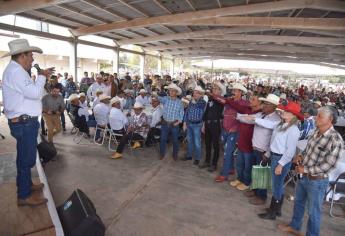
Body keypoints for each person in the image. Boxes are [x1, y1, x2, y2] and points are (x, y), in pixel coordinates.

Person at [2, 38, 53, 206]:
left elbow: (29, 94)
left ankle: (26, 185)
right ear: (22, 56)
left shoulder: (16, 71)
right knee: (27, 160)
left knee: (24, 157)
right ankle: (24, 195)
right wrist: (41, 77)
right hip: (24, 123)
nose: (32, 58)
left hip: (24, 122)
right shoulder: (16, 72)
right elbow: (34, 94)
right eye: (30, 55)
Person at [278, 106, 343, 236]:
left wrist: (305, 169)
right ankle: (295, 226)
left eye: (320, 116)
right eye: (317, 115)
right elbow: (308, 149)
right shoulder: (315, 131)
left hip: (317, 181)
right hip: (304, 177)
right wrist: (301, 156)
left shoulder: (335, 139)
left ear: (330, 119)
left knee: (313, 212)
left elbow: (329, 166)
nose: (316, 118)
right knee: (299, 203)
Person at [255, 101, 303, 220]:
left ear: (293, 116)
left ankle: (273, 211)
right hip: (275, 156)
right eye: (285, 110)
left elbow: (290, 151)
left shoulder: (293, 130)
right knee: (278, 185)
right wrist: (268, 153)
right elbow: (274, 142)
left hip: (281, 159)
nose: (284, 112)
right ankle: (276, 210)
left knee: (277, 185)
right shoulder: (280, 125)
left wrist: (280, 164)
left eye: (287, 111)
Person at [240, 94, 281, 205]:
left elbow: (272, 132)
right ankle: (254, 190)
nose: (264, 106)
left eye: (267, 104)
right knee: (255, 171)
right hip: (256, 147)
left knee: (262, 174)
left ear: (274, 106)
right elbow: (249, 120)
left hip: (264, 150)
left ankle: (262, 197)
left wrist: (267, 153)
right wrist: (239, 116)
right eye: (264, 103)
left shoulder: (276, 119)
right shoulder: (261, 114)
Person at [211, 83, 248, 182]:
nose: (233, 92)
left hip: (234, 131)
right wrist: (214, 95)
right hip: (226, 129)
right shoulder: (230, 100)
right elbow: (222, 103)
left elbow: (244, 118)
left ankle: (224, 174)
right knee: (227, 151)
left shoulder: (244, 103)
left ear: (241, 92)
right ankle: (230, 168)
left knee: (227, 152)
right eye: (233, 90)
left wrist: (236, 127)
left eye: (235, 90)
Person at [199, 82, 225, 172]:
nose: (213, 90)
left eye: (216, 89)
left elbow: (220, 104)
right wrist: (204, 122)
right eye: (213, 88)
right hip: (208, 123)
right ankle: (207, 161)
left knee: (215, 145)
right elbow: (207, 111)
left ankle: (214, 164)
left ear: (220, 91)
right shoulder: (210, 99)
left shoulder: (221, 100)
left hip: (216, 124)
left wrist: (213, 95)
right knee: (207, 143)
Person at [158, 83, 185, 161]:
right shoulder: (165, 99)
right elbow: (158, 98)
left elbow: (181, 114)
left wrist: (177, 123)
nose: (171, 92)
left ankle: (175, 154)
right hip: (165, 123)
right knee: (163, 139)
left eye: (173, 91)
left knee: (175, 140)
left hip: (174, 124)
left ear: (176, 92)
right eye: (170, 91)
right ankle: (162, 154)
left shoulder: (180, 102)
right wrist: (155, 94)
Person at [182, 86, 207, 165]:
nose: (195, 94)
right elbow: (187, 112)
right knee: (190, 141)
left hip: (197, 125)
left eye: (197, 93)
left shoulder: (202, 102)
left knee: (197, 142)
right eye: (194, 92)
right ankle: (189, 155)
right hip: (190, 124)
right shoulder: (191, 102)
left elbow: (195, 105)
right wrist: (185, 122)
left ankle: (197, 158)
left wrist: (188, 101)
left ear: (200, 94)